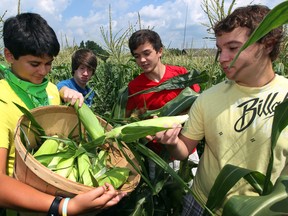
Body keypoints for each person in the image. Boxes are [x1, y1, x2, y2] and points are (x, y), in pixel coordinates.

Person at [153, 4, 287, 215]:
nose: (222, 58)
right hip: (202, 204)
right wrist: (172, 143)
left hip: (263, 209)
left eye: (233, 48)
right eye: (220, 49)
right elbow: (184, 150)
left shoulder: (285, 97)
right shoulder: (207, 98)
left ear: (267, 44)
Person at [0, 12, 126, 216]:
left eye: (48, 63)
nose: (43, 71)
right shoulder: (2, 100)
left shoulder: (51, 90)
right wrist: (64, 207)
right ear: (9, 56)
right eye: (34, 64)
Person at [126, 29, 200, 180]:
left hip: (187, 151)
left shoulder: (181, 75)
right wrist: (142, 130)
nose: (142, 60)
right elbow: (131, 117)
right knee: (163, 197)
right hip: (158, 157)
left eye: (146, 53)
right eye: (137, 56)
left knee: (193, 195)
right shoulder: (134, 87)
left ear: (160, 51)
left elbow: (198, 105)